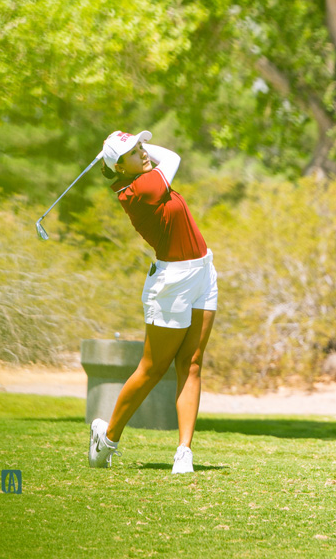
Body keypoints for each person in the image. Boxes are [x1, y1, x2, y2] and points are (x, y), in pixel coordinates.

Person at [88, 130, 218, 474]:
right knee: (153, 368)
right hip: (171, 283)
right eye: (133, 152)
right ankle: (108, 437)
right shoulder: (137, 190)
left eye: (142, 146)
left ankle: (184, 452)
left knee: (191, 364)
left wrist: (130, 149)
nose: (144, 154)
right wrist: (120, 155)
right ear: (119, 167)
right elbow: (172, 157)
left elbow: (161, 159)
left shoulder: (144, 178)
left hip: (203, 271)